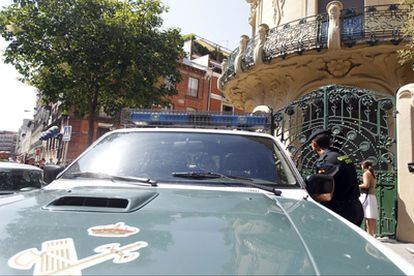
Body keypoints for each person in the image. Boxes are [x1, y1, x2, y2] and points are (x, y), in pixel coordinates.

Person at [308, 129, 364, 226]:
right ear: (330, 142)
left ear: (314, 144)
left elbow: (324, 193)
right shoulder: (341, 156)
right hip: (355, 208)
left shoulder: (325, 162)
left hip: (340, 211)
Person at [358, 160, 378, 236]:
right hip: (372, 197)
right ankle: (372, 234)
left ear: (364, 165)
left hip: (367, 196)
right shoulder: (372, 173)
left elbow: (366, 185)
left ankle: (368, 235)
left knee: (367, 218)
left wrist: (357, 185)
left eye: (361, 165)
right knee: (371, 218)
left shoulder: (366, 173)